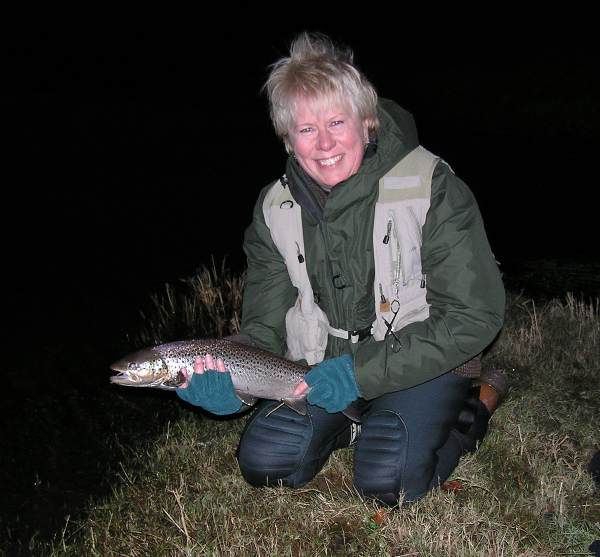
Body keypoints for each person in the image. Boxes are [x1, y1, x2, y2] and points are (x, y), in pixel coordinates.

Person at [176, 32, 508, 506]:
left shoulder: (433, 187)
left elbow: (475, 316)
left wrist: (359, 375)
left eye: (336, 121)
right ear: (288, 139)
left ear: (367, 121)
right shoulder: (273, 208)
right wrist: (233, 385)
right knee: (267, 463)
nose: (325, 143)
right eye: (306, 129)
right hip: (319, 367)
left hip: (424, 361)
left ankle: (474, 405)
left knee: (387, 483)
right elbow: (262, 330)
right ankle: (356, 423)